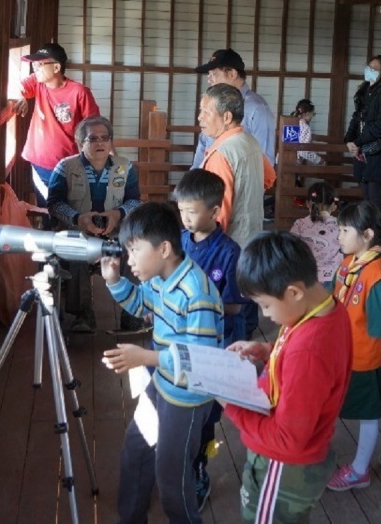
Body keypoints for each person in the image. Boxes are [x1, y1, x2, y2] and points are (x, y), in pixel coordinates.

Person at [100, 203, 224, 524]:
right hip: (164, 383)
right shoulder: (159, 279)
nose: (129, 261)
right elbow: (141, 303)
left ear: (164, 248)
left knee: (171, 478)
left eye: (134, 251)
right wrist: (115, 281)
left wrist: (145, 358)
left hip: (188, 397)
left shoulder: (197, 293)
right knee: (136, 451)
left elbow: (199, 360)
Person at [224, 231, 352, 522]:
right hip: (292, 459)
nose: (265, 314)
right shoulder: (325, 309)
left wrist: (229, 402)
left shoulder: (308, 350)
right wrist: (269, 350)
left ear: (294, 292)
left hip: (281, 467)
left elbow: (288, 440)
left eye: (266, 305)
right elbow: (308, 360)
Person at [171, 168, 249, 509]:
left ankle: (199, 470)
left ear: (215, 212)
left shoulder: (230, 253)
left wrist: (195, 304)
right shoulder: (178, 241)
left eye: (193, 211)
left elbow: (233, 306)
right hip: (181, 343)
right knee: (180, 411)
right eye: (182, 211)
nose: (186, 218)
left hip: (216, 348)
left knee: (204, 419)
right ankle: (179, 465)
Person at [326, 201, 381, 492]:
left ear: (367, 234)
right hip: (343, 355)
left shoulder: (374, 275)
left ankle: (359, 469)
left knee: (368, 414)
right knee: (333, 404)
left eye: (344, 231)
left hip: (364, 360)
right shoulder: (352, 262)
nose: (339, 237)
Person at [47, 116, 145, 335]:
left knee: (135, 250)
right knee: (77, 250)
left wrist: (116, 214)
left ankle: (132, 314)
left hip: (115, 230)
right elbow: (53, 204)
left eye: (105, 138)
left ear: (111, 142)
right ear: (81, 143)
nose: (100, 143)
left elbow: (134, 201)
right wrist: (78, 218)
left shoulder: (124, 166)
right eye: (93, 139)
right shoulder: (65, 167)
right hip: (78, 230)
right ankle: (83, 315)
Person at [15, 43, 100, 208]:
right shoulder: (37, 83)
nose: (36, 69)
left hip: (71, 164)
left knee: (73, 210)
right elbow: (17, 87)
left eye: (40, 65)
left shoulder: (79, 92)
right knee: (49, 210)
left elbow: (94, 126)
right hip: (41, 163)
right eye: (34, 65)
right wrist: (21, 96)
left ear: (56, 68)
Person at [198, 83, 276, 249]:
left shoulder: (221, 154)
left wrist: (208, 248)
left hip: (228, 246)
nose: (200, 117)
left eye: (206, 111)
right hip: (252, 240)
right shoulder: (250, 141)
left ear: (226, 117)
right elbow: (269, 178)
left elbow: (218, 214)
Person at [192, 49, 276, 168]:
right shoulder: (213, 105)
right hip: (208, 182)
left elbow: (265, 161)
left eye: (213, 74)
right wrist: (193, 178)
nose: (209, 80)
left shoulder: (257, 109)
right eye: (208, 75)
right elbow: (203, 145)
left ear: (232, 74)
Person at [343, 55, 381, 214]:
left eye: (374, 69)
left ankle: (377, 232)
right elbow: (357, 116)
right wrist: (349, 140)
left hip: (377, 149)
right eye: (369, 67)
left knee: (375, 198)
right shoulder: (364, 90)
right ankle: (368, 232)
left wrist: (358, 142)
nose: (370, 70)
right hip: (362, 148)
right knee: (366, 196)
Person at [289, 181, 343, 290]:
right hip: (332, 278)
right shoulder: (340, 225)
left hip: (305, 278)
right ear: (333, 206)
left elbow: (289, 248)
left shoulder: (300, 224)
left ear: (308, 203)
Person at [289, 99, 324, 166]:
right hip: (294, 162)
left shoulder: (290, 123)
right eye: (313, 114)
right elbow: (303, 150)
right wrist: (318, 160)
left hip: (283, 158)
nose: (312, 116)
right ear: (307, 114)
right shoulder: (305, 128)